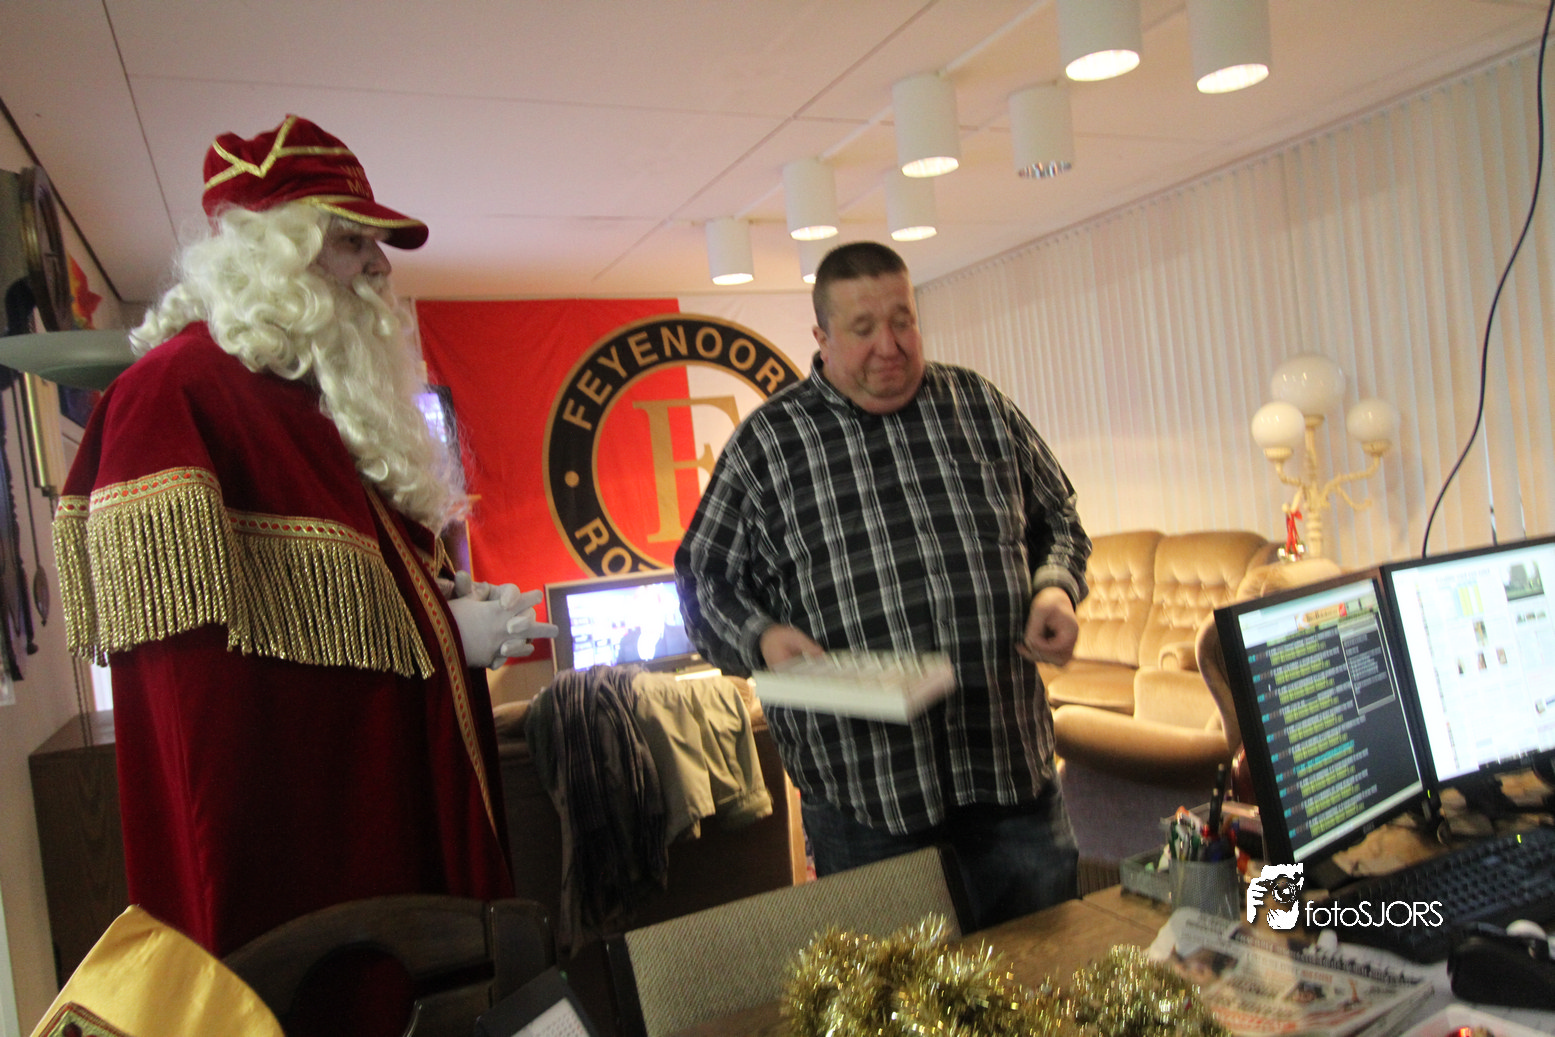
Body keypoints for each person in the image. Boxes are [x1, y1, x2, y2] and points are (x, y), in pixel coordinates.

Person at [52, 115, 553, 983]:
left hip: (381, 850)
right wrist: (440, 637)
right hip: (296, 882)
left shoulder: (311, 401)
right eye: (352, 241)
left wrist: (442, 609)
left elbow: (339, 609)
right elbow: (210, 703)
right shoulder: (178, 395)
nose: (379, 269)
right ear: (274, 256)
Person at [674, 241, 1091, 929]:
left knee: (1051, 966)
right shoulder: (766, 446)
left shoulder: (979, 406)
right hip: (866, 797)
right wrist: (763, 637)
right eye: (863, 329)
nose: (890, 346)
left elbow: (1059, 518)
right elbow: (702, 580)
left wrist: (1054, 590)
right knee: (898, 989)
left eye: (903, 321)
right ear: (822, 337)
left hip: (1008, 769)